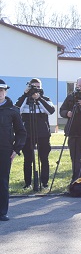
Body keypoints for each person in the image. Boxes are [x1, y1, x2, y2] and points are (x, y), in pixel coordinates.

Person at [15, 78, 54, 189]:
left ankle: (44, 183)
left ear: (41, 88)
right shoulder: (24, 99)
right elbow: (17, 110)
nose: (36, 89)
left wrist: (39, 99)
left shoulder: (46, 99)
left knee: (44, 158)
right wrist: (25, 95)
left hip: (43, 134)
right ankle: (28, 183)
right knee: (28, 159)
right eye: (33, 87)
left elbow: (50, 111)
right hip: (27, 134)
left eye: (38, 87)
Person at [0, 79, 27, 221]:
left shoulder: (13, 110)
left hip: (5, 151)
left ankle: (2, 212)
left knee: (2, 181)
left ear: (5, 92)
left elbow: (21, 132)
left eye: (1, 91)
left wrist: (16, 150)